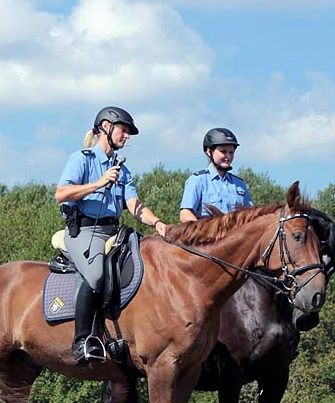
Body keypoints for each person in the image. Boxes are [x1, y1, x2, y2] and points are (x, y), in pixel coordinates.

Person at [54, 106, 169, 363]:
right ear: (106, 127)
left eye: (128, 133)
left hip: (113, 232)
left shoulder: (122, 170)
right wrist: (99, 183)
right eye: (123, 130)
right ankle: (82, 341)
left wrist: (158, 223)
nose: (127, 136)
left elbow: (135, 206)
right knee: (96, 274)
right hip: (85, 231)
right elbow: (60, 194)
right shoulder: (81, 159)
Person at [179, 127, 254, 223]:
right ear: (209, 151)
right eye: (223, 152)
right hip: (207, 232)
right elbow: (185, 214)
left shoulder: (239, 184)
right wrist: (204, 230)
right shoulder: (197, 180)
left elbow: (251, 215)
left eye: (231, 152)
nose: (228, 156)